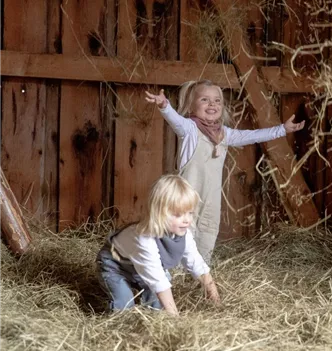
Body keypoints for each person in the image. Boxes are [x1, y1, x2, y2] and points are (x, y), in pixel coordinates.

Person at [145, 80, 305, 263]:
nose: (212, 104)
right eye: (204, 99)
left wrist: (282, 129)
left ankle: (201, 272)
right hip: (186, 196)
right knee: (183, 231)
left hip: (211, 197)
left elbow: (252, 136)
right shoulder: (189, 129)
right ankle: (177, 273)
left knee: (208, 229)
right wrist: (164, 106)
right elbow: (175, 120)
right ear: (191, 105)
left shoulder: (224, 134)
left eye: (217, 100)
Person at [96, 174, 220, 316]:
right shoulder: (144, 239)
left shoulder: (184, 234)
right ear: (159, 213)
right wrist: (176, 319)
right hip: (116, 266)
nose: (187, 220)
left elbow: (197, 264)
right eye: (178, 215)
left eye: (190, 213)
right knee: (125, 307)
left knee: (157, 308)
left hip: (143, 270)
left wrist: (215, 299)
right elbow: (158, 282)